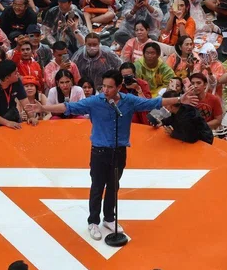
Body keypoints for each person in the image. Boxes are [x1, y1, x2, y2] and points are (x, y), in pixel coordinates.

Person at [28, 69, 198, 239]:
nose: (105, 90)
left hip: (119, 150)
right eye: (104, 86)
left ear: (119, 87)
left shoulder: (129, 101)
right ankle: (93, 221)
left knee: (113, 186)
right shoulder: (95, 101)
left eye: (110, 87)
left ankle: (109, 218)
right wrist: (44, 107)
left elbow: (153, 103)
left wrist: (179, 99)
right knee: (97, 187)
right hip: (99, 151)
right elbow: (68, 107)